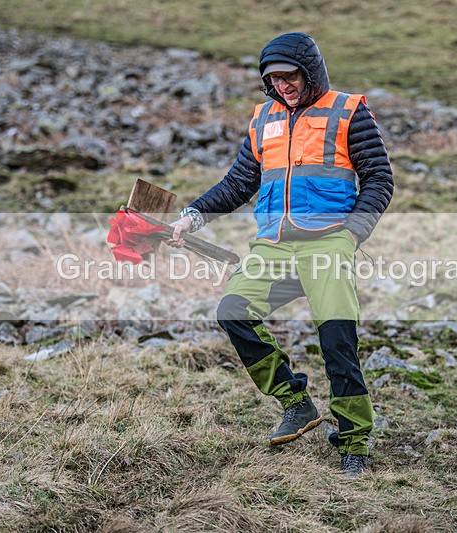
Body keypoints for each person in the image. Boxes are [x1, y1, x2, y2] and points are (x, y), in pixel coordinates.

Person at [168, 32, 393, 477]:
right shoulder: (262, 119)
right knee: (233, 311)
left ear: (311, 72)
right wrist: (191, 217)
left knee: (337, 343)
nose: (283, 86)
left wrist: (352, 235)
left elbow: (380, 179)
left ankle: (354, 442)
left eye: (290, 77)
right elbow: (237, 184)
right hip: (272, 244)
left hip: (330, 242)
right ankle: (296, 403)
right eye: (273, 80)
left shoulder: (348, 110)